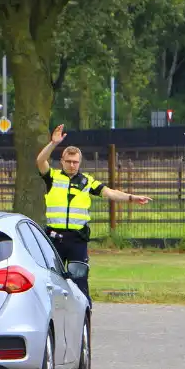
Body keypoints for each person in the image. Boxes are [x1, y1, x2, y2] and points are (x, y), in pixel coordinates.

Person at [35, 124, 152, 302]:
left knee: (80, 280)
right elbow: (40, 161)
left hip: (77, 239)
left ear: (80, 163)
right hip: (54, 238)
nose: (72, 165)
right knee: (51, 281)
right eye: (69, 161)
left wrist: (131, 198)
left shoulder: (86, 181)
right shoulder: (53, 177)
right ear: (62, 161)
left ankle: (84, 320)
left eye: (75, 162)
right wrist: (53, 143)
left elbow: (109, 192)